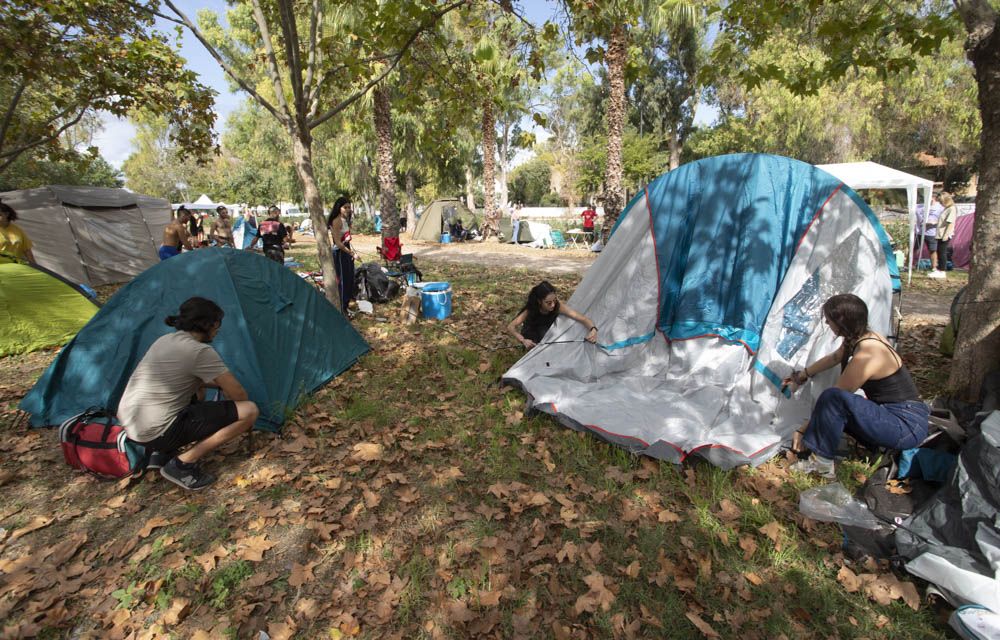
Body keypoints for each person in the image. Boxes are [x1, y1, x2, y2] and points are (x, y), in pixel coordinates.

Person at [117, 297, 259, 490]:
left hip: (132, 426)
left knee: (197, 384)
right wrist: (225, 387)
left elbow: (181, 378)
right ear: (207, 324)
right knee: (249, 410)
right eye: (217, 324)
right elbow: (239, 395)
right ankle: (182, 464)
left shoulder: (164, 340)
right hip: (158, 430)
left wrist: (215, 384)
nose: (218, 329)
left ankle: (161, 454)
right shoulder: (199, 351)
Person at [782, 293, 929, 478]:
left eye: (829, 320)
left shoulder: (867, 354)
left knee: (832, 398)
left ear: (842, 322)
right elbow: (835, 357)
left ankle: (822, 464)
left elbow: (835, 398)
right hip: (899, 416)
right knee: (841, 403)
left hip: (905, 426)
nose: (827, 324)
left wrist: (802, 429)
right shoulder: (861, 337)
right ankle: (869, 448)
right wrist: (802, 375)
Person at [507, 281, 599, 349]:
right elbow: (511, 326)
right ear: (539, 301)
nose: (553, 305)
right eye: (548, 302)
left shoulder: (558, 306)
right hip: (531, 333)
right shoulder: (531, 309)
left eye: (554, 300)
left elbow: (582, 318)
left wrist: (593, 329)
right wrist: (523, 340)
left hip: (548, 332)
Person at [327, 196, 358, 312]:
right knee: (343, 279)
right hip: (340, 252)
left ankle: (347, 302)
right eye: (345, 207)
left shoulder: (344, 220)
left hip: (346, 249)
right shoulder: (336, 221)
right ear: (339, 208)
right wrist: (351, 253)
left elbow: (344, 238)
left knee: (350, 275)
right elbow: (338, 243)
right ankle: (342, 306)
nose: (348, 209)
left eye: (349, 207)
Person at [916, 194, 944, 277]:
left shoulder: (940, 208)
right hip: (920, 232)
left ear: (933, 198)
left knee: (932, 250)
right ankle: (908, 265)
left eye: (929, 197)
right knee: (915, 248)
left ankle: (934, 267)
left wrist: (934, 222)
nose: (926, 199)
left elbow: (943, 219)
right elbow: (909, 210)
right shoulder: (920, 206)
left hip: (932, 232)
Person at [930, 193, 958, 278]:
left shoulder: (952, 209)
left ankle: (942, 271)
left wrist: (946, 235)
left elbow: (950, 223)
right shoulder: (946, 209)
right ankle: (939, 269)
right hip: (940, 234)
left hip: (945, 234)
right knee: (939, 251)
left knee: (942, 252)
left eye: (942, 202)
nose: (941, 203)